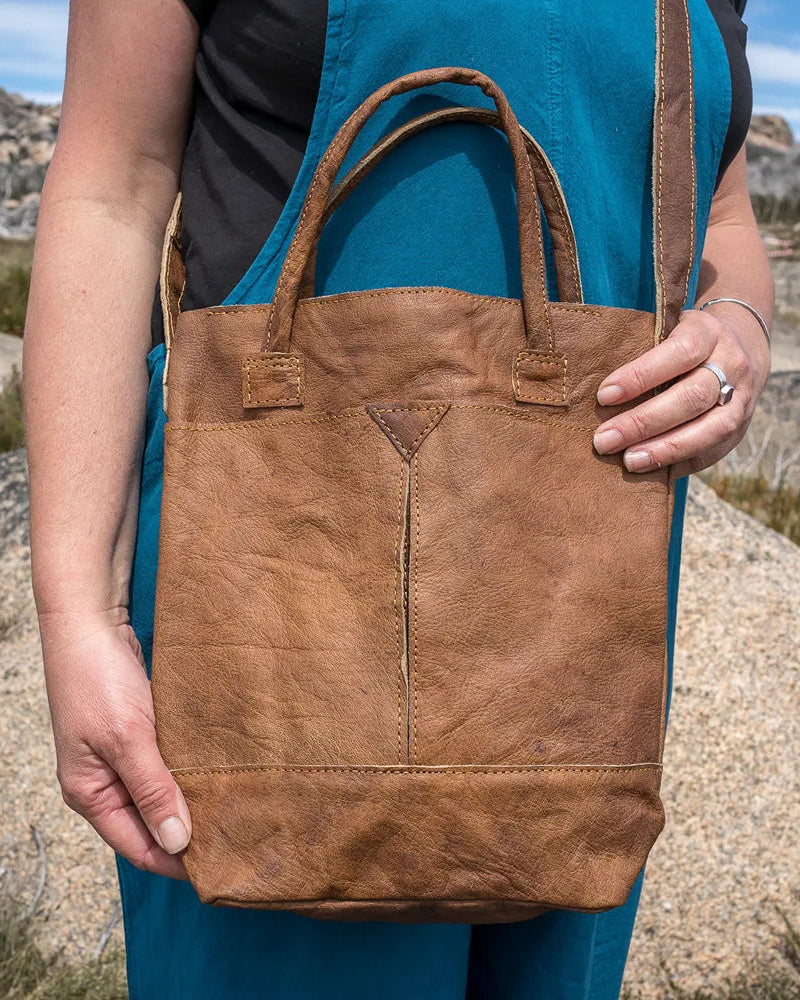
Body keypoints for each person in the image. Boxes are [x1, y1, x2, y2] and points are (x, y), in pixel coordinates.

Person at [22, 0, 773, 997]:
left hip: (576, 627)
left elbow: (718, 217)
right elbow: (111, 189)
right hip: (271, 598)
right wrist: (76, 607)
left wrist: (741, 330)